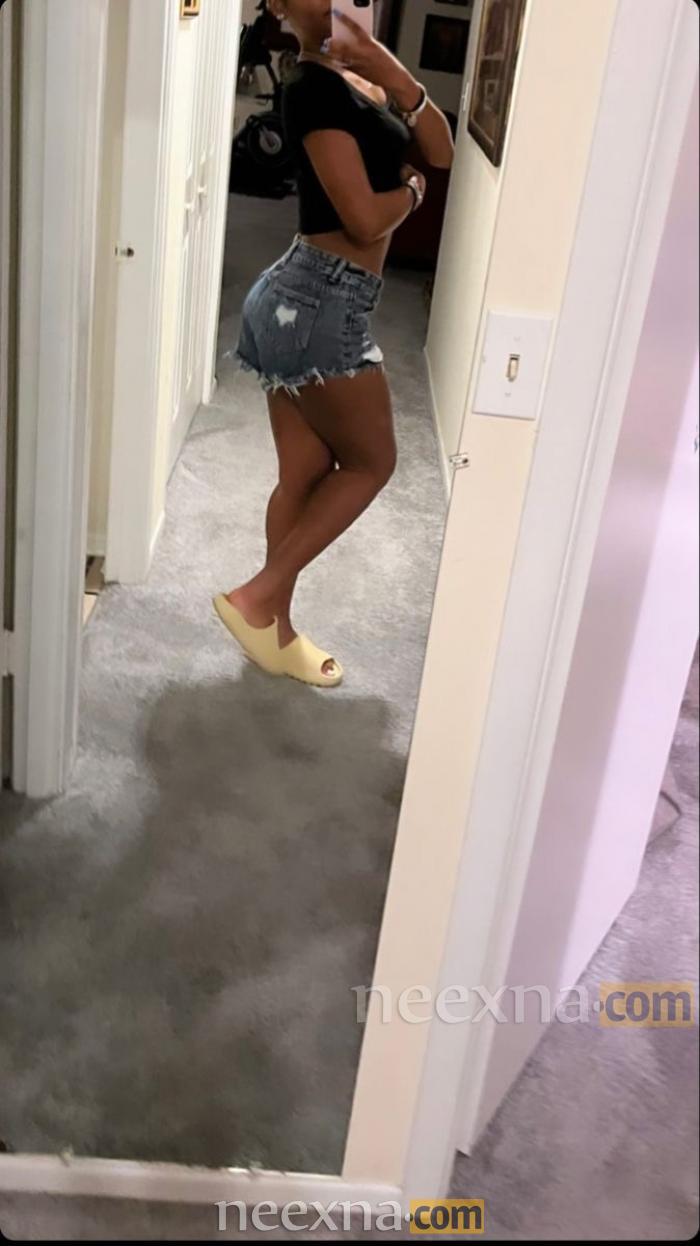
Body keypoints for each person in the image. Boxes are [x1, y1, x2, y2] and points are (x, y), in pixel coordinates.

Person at [214, 1, 454, 687]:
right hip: (321, 301)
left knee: (304, 475)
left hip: (302, 297)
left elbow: (441, 148)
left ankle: (273, 628)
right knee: (373, 462)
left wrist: (387, 68)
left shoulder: (364, 79)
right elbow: (363, 219)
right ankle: (259, 597)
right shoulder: (310, 88)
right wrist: (412, 194)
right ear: (279, 7)